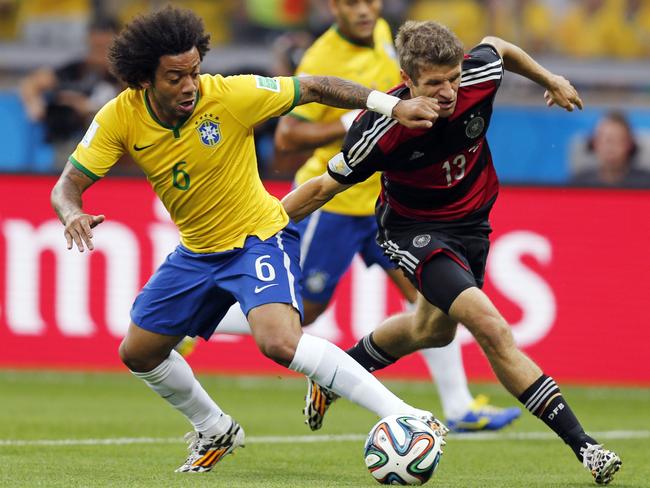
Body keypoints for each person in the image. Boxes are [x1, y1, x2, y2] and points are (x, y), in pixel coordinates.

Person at [49, 7, 446, 474]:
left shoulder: (232, 94)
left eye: (194, 72)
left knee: (279, 342)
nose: (190, 85)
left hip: (259, 236)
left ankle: (405, 414)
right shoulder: (119, 117)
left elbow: (315, 87)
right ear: (143, 79)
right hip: (196, 252)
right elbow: (66, 185)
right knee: (138, 352)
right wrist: (72, 211)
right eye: (175, 77)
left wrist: (392, 105)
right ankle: (214, 427)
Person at [282, 20, 622, 484]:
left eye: (453, 78)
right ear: (407, 81)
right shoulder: (379, 128)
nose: (447, 92)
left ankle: (336, 372)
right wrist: (264, 225)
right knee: (490, 325)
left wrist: (551, 80)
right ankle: (587, 447)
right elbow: (323, 187)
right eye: (434, 84)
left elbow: (500, 46)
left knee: (431, 331)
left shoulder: (477, 74)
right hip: (413, 231)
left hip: (472, 226)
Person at [274, 0, 520, 432]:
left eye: (372, 0)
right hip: (337, 204)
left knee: (432, 301)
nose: (366, 10)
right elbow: (287, 136)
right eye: (353, 3)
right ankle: (201, 319)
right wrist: (353, 119)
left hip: (394, 204)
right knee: (303, 312)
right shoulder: (322, 57)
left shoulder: (390, 38)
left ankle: (459, 406)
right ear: (334, 7)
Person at [19, 17, 122, 167]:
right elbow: (31, 83)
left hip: (109, 146)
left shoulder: (123, 76)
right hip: (70, 141)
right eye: (95, 47)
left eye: (104, 47)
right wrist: (35, 105)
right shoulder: (75, 69)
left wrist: (87, 107)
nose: (98, 54)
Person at [572, 110, 650, 187]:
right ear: (594, 143)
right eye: (604, 140)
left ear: (629, 144)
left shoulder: (646, 184)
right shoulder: (578, 184)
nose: (610, 147)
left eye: (617, 140)